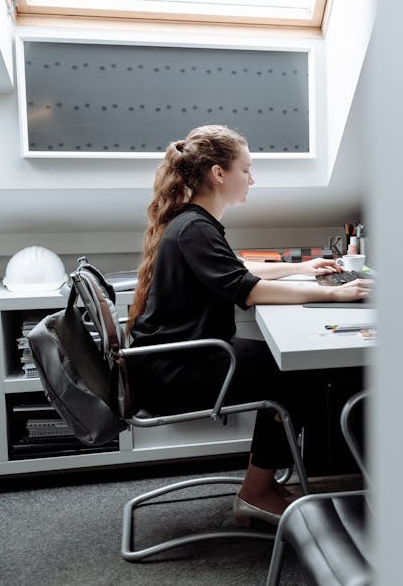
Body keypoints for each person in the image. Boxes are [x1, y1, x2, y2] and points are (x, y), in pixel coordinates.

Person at [127, 124, 373, 524]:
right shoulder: (195, 228)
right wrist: (335, 293)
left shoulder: (194, 223)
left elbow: (234, 269)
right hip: (177, 370)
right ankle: (256, 490)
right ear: (218, 173)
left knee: (293, 366)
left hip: (175, 359)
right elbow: (247, 289)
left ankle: (267, 483)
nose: (252, 179)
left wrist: (301, 268)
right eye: (246, 169)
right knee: (298, 373)